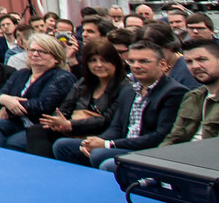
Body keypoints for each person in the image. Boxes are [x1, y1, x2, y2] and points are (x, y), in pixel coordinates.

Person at [49, 41, 186, 168]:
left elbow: (159, 136)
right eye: (132, 61)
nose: (136, 66)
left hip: (149, 151)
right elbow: (116, 128)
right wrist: (96, 141)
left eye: (144, 61)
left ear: (162, 64)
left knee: (100, 156)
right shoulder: (129, 91)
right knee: (62, 145)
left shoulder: (173, 92)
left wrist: (108, 144)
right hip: (123, 145)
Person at [0, 34, 75, 155]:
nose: (35, 54)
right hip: (17, 122)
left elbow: (42, 105)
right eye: (32, 50)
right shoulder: (22, 73)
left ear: (56, 58)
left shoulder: (62, 77)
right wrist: (4, 98)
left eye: (42, 51)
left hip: (40, 128)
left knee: (11, 143)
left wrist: (10, 104)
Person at [156, 39, 219, 147]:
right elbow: (174, 137)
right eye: (189, 62)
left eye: (202, 60)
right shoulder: (192, 96)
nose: (195, 66)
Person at [34, 39, 125, 148]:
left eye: (104, 60)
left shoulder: (125, 87)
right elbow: (65, 108)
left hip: (100, 134)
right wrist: (58, 121)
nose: (99, 65)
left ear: (115, 62)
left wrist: (71, 125)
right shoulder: (84, 82)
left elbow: (106, 120)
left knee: (61, 145)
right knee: (38, 131)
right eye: (93, 60)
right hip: (75, 128)